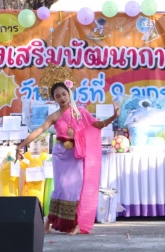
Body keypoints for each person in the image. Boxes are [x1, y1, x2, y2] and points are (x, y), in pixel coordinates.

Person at [17, 70, 119, 235]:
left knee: (75, 189)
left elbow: (98, 125)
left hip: (76, 154)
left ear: (69, 94)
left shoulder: (80, 112)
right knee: (60, 188)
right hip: (60, 154)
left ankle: (76, 224)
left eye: (64, 94)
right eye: (57, 96)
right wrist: (20, 146)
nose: (62, 98)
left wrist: (114, 116)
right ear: (54, 99)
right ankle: (49, 221)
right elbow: (39, 131)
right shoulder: (54, 116)